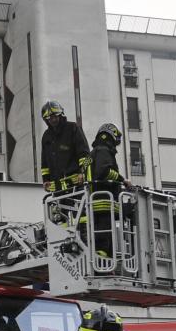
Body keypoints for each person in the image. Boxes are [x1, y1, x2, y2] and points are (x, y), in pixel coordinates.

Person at [85, 123, 126, 262]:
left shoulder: (92, 154)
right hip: (103, 201)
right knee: (104, 236)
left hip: (93, 201)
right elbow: (104, 172)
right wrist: (123, 180)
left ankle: (103, 260)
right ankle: (104, 262)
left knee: (98, 235)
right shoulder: (103, 150)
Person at [39, 99, 91, 193]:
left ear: (60, 114)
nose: (53, 119)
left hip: (76, 184)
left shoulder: (72, 128)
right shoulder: (46, 136)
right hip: (57, 188)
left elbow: (84, 154)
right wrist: (46, 180)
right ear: (46, 119)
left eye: (55, 116)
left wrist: (83, 172)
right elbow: (44, 162)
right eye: (50, 118)